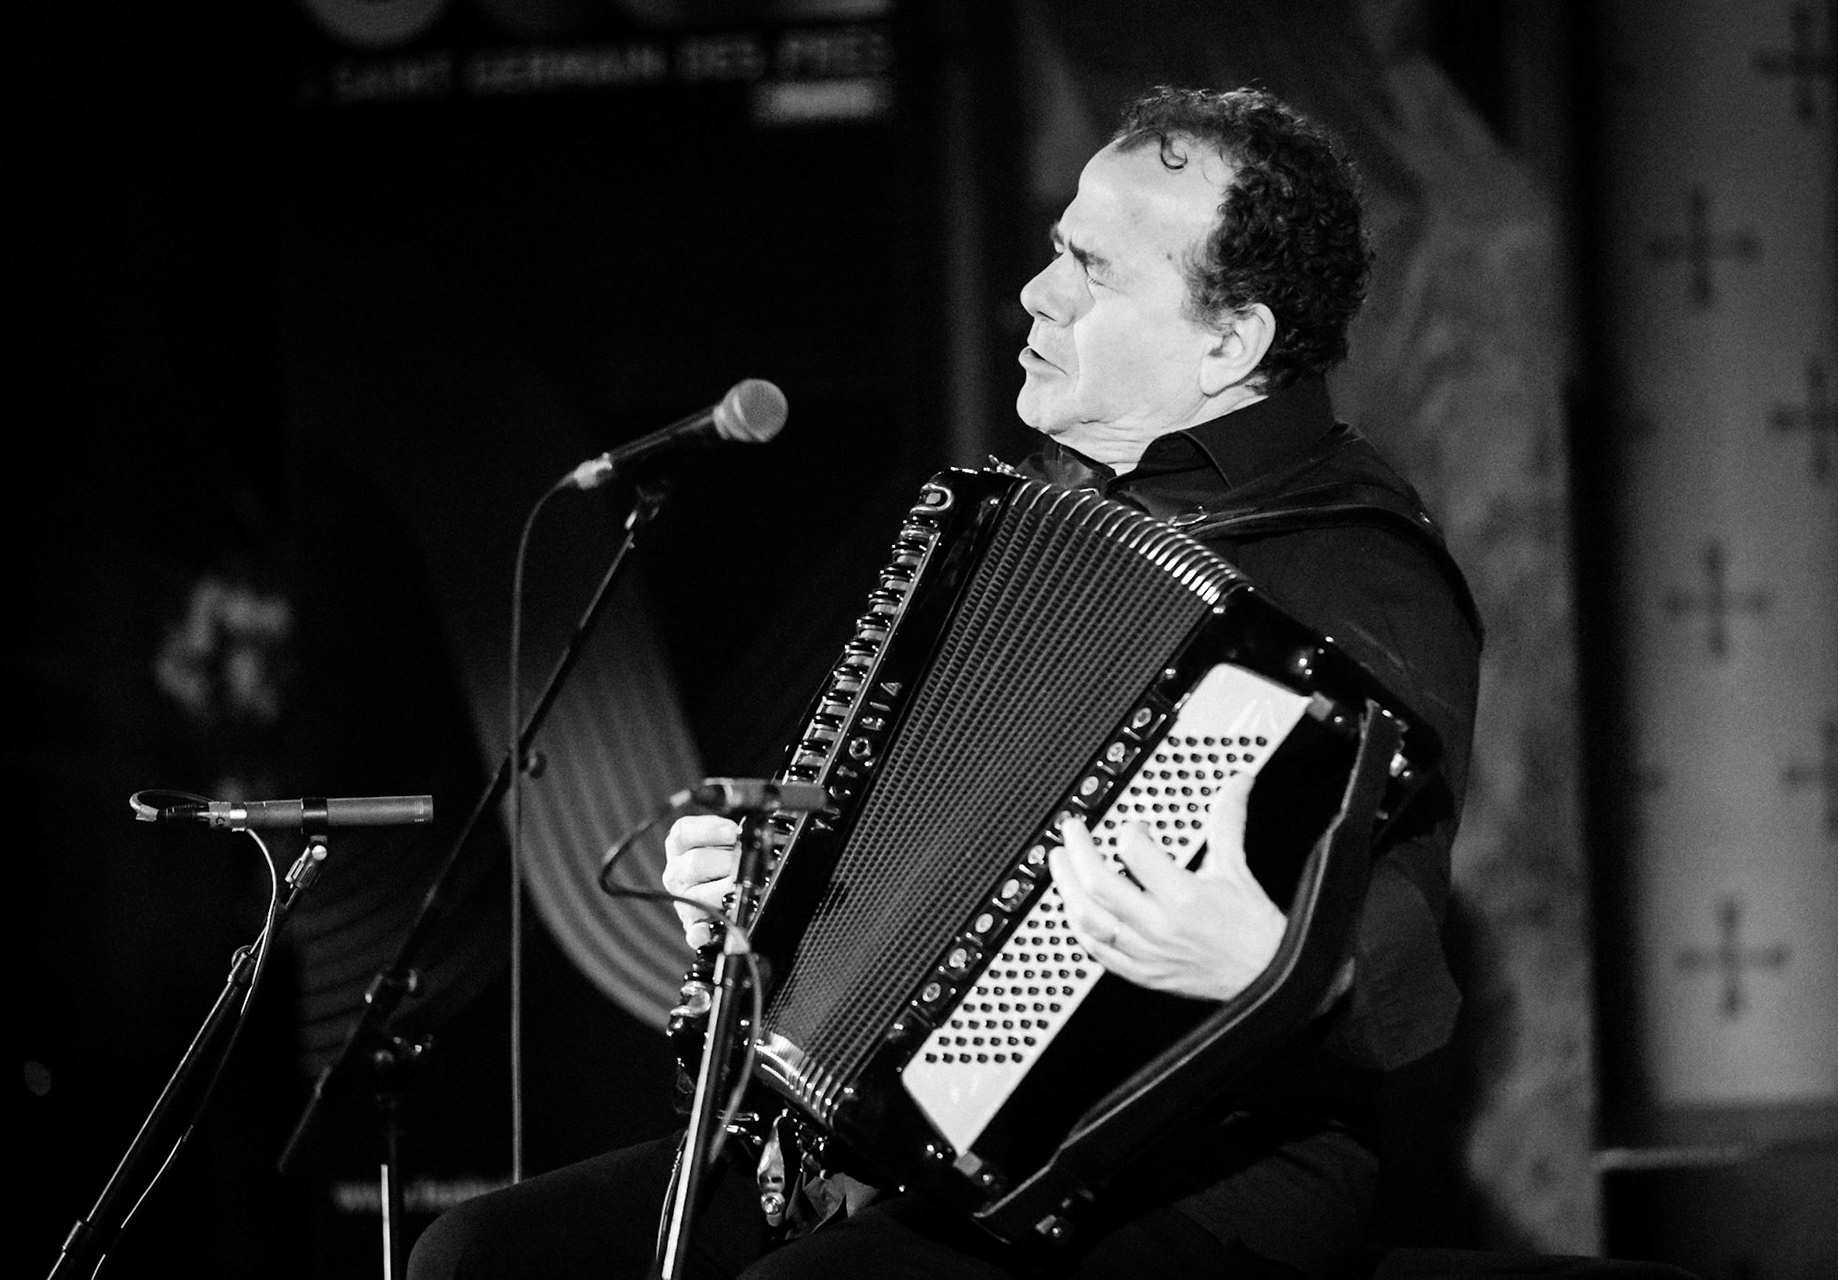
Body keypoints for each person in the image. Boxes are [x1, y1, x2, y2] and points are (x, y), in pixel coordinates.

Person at [409, 84, 1481, 1280]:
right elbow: (921, 838)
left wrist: (1287, 963)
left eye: (1094, 268)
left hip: (1191, 1175)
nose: (1039, 290)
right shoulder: (1023, 521)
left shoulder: (1355, 571)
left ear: (1231, 343)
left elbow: (1405, 956)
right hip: (879, 1146)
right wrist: (761, 894)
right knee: (484, 1252)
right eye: (1055, 245)